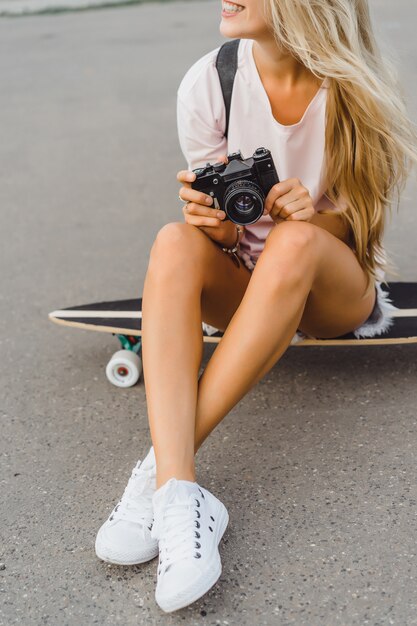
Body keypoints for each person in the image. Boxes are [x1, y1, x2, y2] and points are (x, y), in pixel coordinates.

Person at [94, 0, 417, 613]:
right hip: (247, 278)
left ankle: (159, 474)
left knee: (293, 243)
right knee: (172, 240)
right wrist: (210, 222)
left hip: (332, 291)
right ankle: (182, 493)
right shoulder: (210, 82)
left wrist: (311, 217)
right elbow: (223, 228)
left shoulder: (354, 90)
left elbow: (362, 229)